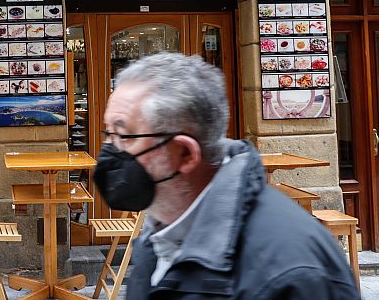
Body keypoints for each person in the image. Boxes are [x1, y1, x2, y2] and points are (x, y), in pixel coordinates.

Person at [93, 53, 359, 300]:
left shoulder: (294, 275)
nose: (110, 150)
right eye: (109, 133)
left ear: (185, 153)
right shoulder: (161, 231)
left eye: (124, 135)